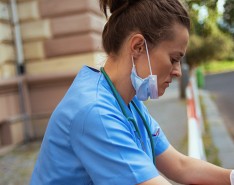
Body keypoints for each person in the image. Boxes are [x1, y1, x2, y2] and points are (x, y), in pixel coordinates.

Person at [30, 0, 234, 184]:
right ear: (137, 47)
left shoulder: (126, 101)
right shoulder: (94, 111)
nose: (179, 72)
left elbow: (180, 166)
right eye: (173, 58)